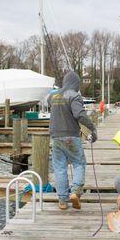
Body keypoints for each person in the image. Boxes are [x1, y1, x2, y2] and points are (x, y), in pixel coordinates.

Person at [49, 71, 97, 210]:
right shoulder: (74, 96)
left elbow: (48, 100)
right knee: (78, 163)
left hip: (55, 137)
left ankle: (62, 200)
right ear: (76, 83)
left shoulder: (53, 95)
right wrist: (92, 128)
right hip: (71, 136)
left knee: (59, 168)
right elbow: (79, 114)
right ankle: (75, 192)